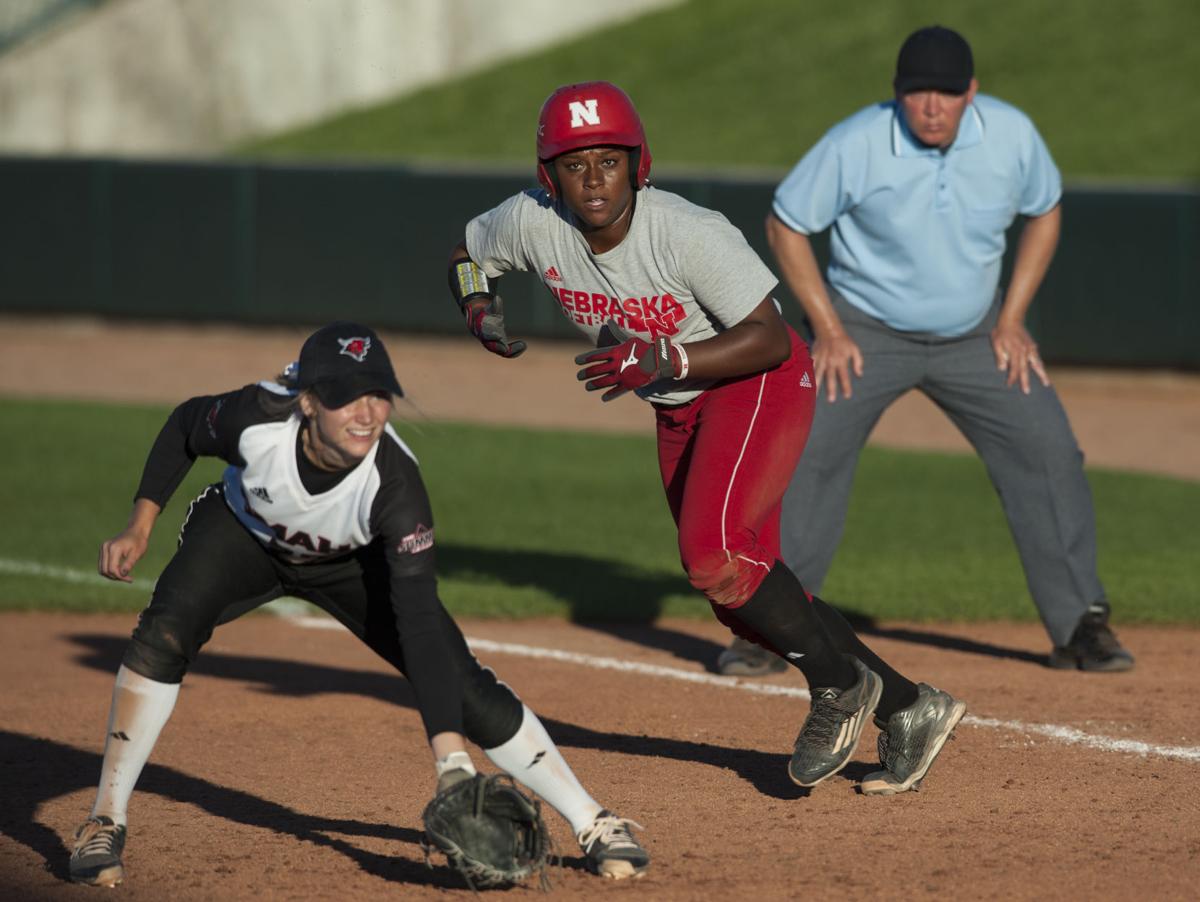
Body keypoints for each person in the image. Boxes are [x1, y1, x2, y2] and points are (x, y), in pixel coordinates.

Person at [447, 80, 965, 799]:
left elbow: (767, 336)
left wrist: (668, 358)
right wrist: (477, 303)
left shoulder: (687, 231)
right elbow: (468, 252)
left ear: (638, 163)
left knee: (712, 555)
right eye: (575, 164)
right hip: (680, 406)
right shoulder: (532, 223)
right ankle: (909, 707)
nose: (593, 179)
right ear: (549, 176)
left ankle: (840, 685)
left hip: (757, 381)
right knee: (736, 592)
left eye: (609, 161)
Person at [68, 321, 649, 887]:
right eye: (346, 398)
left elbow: (419, 625)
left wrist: (452, 763)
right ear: (308, 401)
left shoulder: (396, 488)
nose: (367, 413)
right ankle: (104, 820)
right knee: (165, 633)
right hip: (244, 536)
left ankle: (593, 821)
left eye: (379, 395)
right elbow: (186, 426)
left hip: (350, 562)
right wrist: (140, 525)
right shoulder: (256, 418)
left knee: (463, 683)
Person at [717, 25, 1134, 679]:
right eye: (918, 92)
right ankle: (769, 628)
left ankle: (1081, 625)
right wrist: (828, 328)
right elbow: (786, 222)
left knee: (1047, 448)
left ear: (972, 91)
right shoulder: (857, 141)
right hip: (863, 330)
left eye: (947, 92)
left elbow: (1045, 211)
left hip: (977, 332)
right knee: (806, 454)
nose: (933, 106)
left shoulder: (1012, 135)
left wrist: (1013, 318)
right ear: (897, 93)